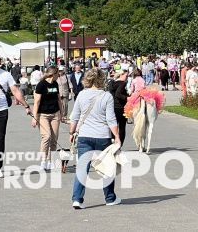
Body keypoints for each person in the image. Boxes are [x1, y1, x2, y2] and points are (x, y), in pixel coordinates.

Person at [69, 69, 121, 209]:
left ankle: (77, 199)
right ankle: (110, 198)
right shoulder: (107, 96)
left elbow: (75, 116)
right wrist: (117, 137)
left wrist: (71, 132)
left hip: (85, 135)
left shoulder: (81, 95)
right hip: (102, 136)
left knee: (82, 168)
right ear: (101, 80)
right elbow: (111, 119)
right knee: (107, 168)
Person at [32, 66, 62, 170]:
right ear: (53, 74)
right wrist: (34, 117)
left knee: (54, 139)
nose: (59, 75)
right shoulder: (41, 85)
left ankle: (51, 161)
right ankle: (43, 161)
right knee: (47, 136)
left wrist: (61, 113)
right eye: (58, 73)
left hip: (55, 114)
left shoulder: (55, 84)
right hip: (43, 115)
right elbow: (37, 102)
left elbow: (58, 99)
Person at [108, 71, 129, 143]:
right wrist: (127, 98)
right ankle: (120, 144)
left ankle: (113, 141)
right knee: (122, 127)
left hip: (113, 106)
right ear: (121, 75)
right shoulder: (123, 84)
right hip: (121, 107)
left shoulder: (112, 83)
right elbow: (118, 94)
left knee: (113, 125)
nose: (127, 78)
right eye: (126, 76)